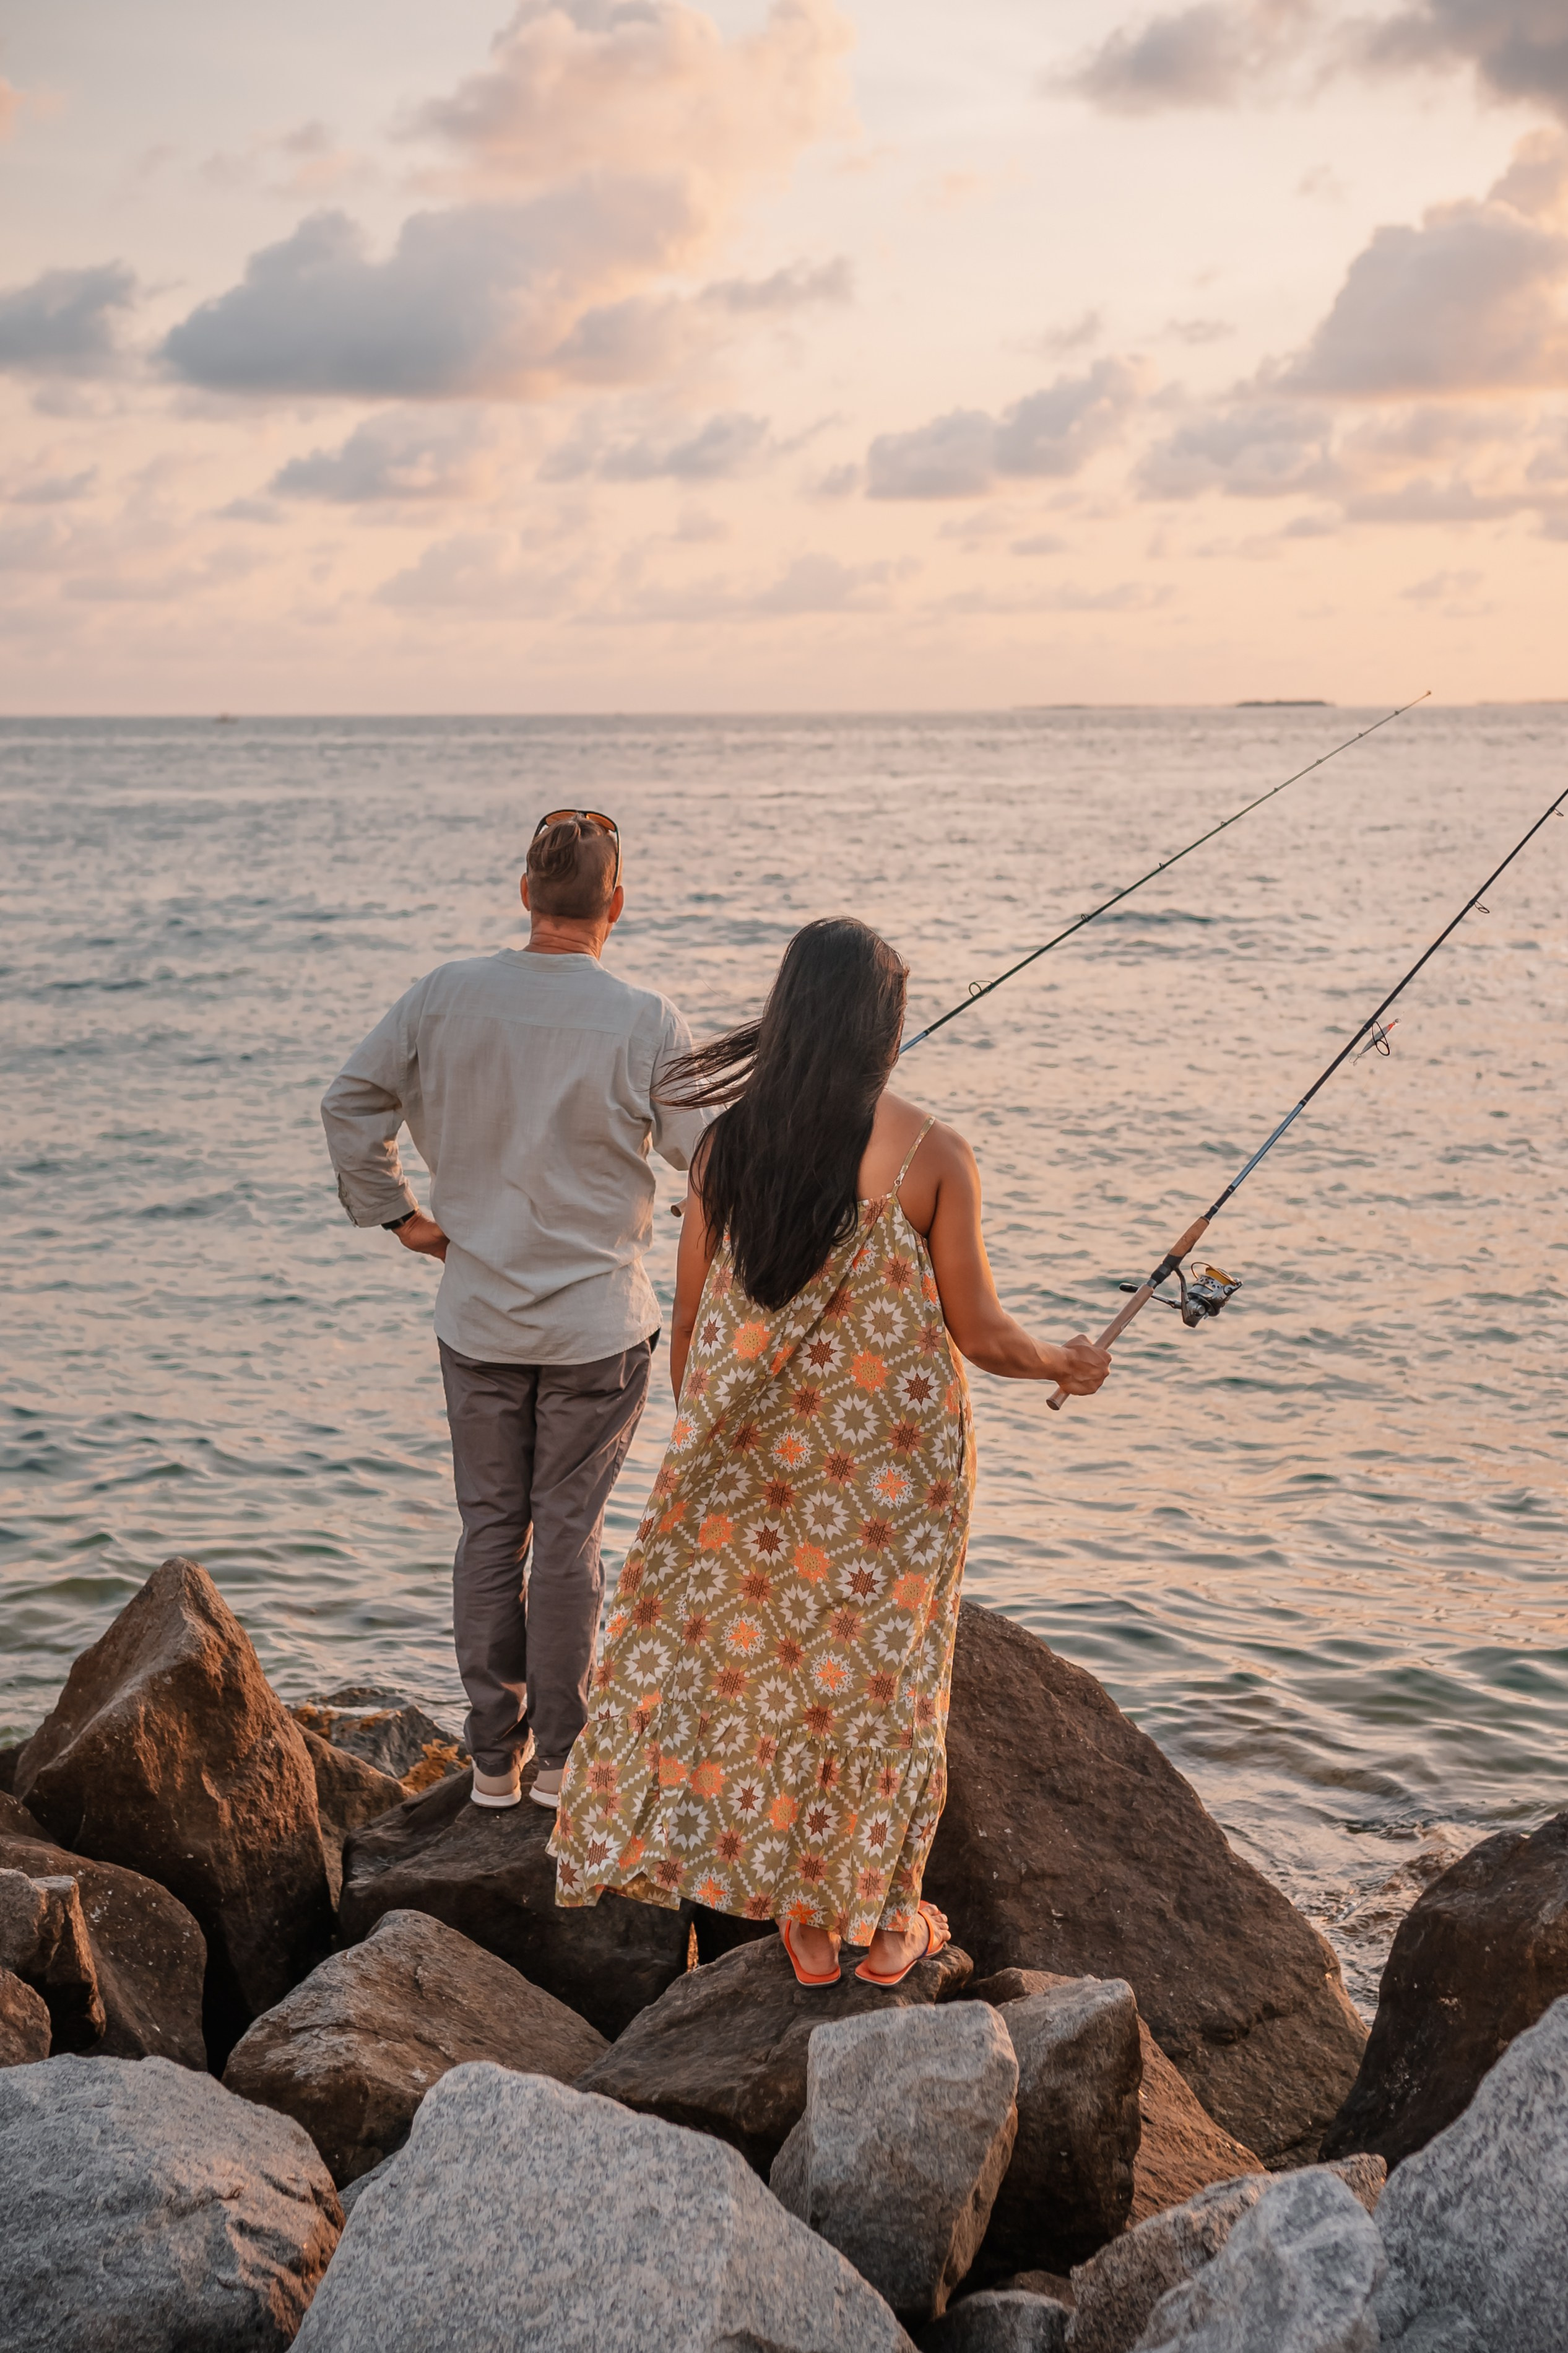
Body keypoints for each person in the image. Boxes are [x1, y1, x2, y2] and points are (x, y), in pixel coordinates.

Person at [550, 916, 1110, 1987]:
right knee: (882, 1690)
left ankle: (802, 1926)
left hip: (751, 1476)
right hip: (896, 1490)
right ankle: (883, 1918)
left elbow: (694, 1325)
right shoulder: (932, 1153)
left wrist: (719, 1452)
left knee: (769, 1683)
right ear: (883, 1028)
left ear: (789, 1011)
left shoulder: (724, 1146)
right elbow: (983, 1335)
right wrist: (1063, 1362)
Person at [320, 812, 706, 1812]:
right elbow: (709, 1159)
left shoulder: (444, 995)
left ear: (525, 894)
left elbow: (349, 1102)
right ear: (615, 906)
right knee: (568, 1536)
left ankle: (492, 1762)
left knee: (491, 1531)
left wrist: (398, 1215)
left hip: (480, 1316)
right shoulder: (645, 1018)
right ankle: (564, 1766)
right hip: (595, 1330)